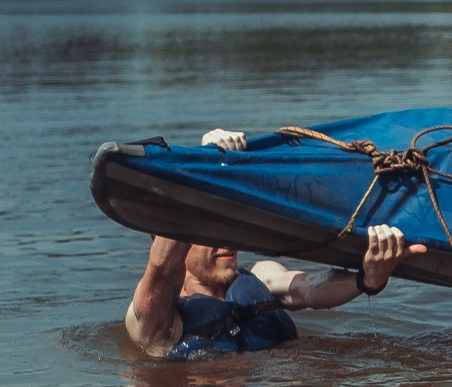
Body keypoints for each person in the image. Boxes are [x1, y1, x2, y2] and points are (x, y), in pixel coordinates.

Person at [123, 129, 428, 359]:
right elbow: (162, 266)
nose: (227, 240)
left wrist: (368, 280)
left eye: (228, 228)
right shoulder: (156, 320)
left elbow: (309, 288)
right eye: (211, 234)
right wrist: (202, 165)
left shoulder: (260, 275)